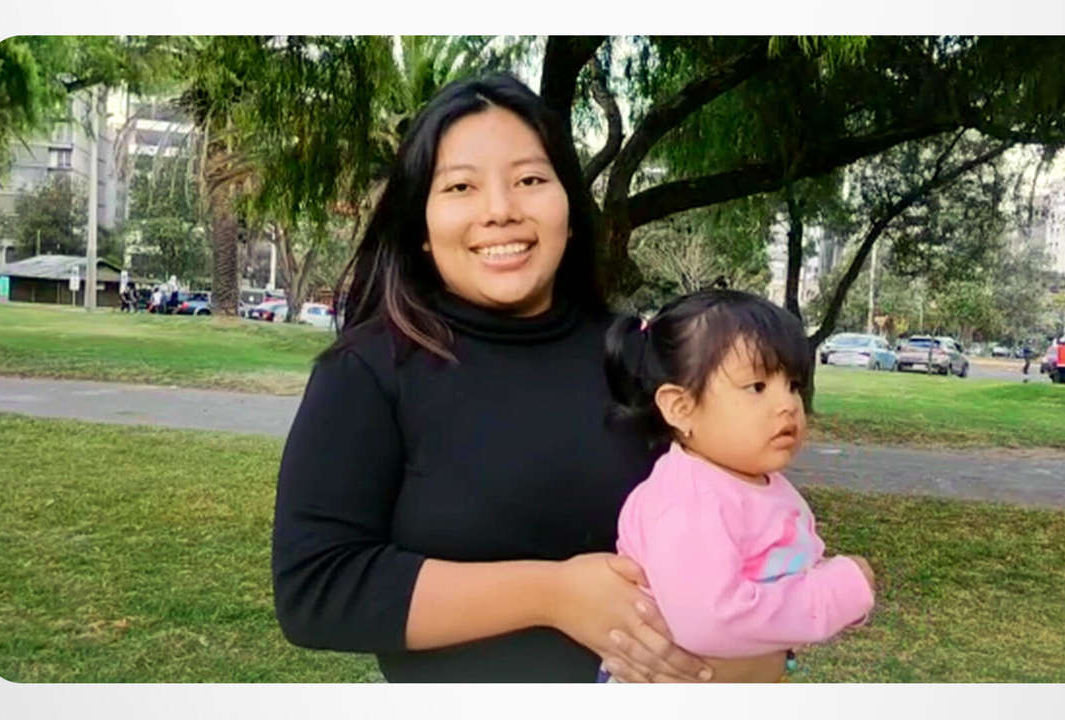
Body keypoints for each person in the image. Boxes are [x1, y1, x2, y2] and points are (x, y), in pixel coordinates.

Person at [271, 74, 790, 683]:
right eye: (461, 186)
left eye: (530, 180)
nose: (501, 211)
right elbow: (317, 588)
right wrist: (554, 595)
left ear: (569, 209)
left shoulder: (642, 359)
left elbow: (754, 524)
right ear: (421, 225)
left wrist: (757, 658)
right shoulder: (369, 371)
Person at [598, 290, 876, 681]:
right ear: (681, 408)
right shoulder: (687, 502)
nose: (787, 405)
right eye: (757, 387)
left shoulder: (757, 483)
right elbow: (712, 621)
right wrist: (839, 592)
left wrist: (840, 594)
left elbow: (794, 576)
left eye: (793, 385)